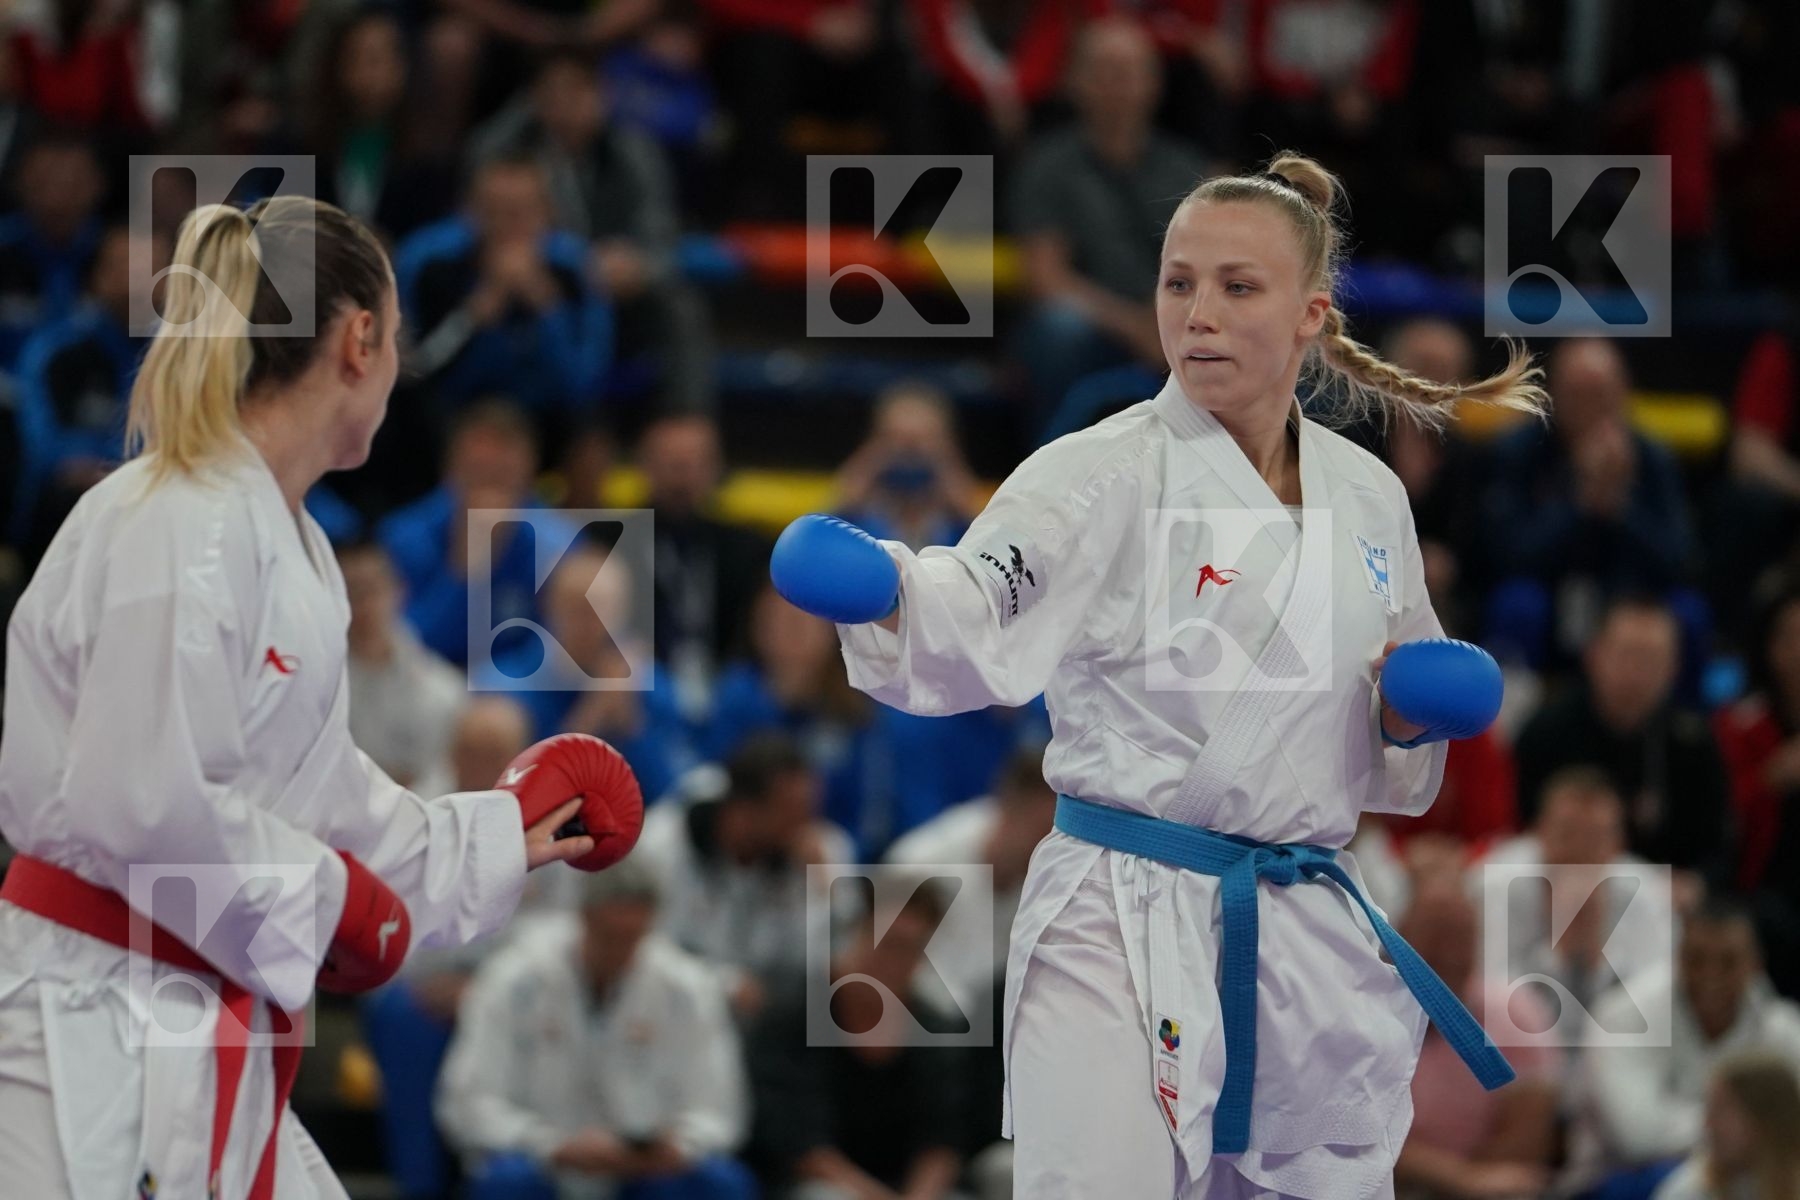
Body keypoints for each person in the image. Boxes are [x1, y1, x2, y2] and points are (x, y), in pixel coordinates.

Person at [790, 154, 1548, 1197]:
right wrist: (887, 589)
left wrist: (1405, 716)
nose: (1198, 314)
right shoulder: (1103, 469)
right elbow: (977, 602)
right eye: (1178, 283)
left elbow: (1382, 753)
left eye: (1238, 288)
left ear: (1310, 317)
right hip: (1118, 912)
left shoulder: (1368, 498)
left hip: (1304, 915)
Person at [0, 196, 624, 1200]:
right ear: (359, 338)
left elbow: (327, 799)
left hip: (201, 1020)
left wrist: (503, 830)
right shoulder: (177, 520)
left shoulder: (299, 548)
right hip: (93, 1025)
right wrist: (332, 895)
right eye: (398, 342)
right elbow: (142, 798)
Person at [437, 856, 755, 1200]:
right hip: (543, 1161)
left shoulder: (687, 988)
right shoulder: (514, 980)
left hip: (647, 1170)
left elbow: (720, 1112)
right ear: (584, 917)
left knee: (719, 1183)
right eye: (609, 936)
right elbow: (468, 1102)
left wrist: (676, 1145)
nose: (620, 950)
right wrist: (550, 1144)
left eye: (632, 937)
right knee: (507, 1182)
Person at [1652, 1053, 1800, 1200]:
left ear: (1765, 1119)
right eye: (1710, 1109)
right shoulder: (1688, 1192)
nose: (1708, 1124)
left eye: (1721, 1111)